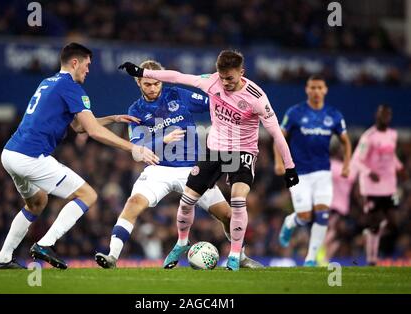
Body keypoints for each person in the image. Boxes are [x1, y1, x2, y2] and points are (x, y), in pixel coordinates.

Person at [118, 50, 298, 271]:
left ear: (241, 72)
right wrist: (140, 71)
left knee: (238, 201)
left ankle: (235, 257)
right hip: (214, 152)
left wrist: (290, 167)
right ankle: (182, 243)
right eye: (221, 77)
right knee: (187, 201)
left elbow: (278, 134)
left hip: (241, 152)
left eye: (229, 78)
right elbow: (177, 77)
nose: (225, 83)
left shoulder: (257, 97)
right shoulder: (212, 81)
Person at [0, 43, 158, 270]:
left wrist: (113, 118)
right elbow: (92, 131)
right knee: (88, 195)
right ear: (74, 63)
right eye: (87, 65)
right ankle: (45, 244)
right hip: (31, 156)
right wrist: (132, 148)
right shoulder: (71, 87)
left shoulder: (49, 82)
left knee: (37, 203)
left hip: (10, 153)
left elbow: (79, 127)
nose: (88, 71)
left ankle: (3, 259)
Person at [94, 60, 262, 269]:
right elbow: (137, 149)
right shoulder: (135, 110)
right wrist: (162, 139)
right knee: (133, 203)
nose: (153, 88)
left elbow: (215, 104)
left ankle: (241, 255)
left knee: (228, 215)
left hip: (192, 169)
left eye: (156, 83)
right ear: (138, 82)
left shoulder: (178, 95)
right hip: (159, 169)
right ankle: (112, 256)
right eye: (147, 84)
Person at [275, 75, 352, 267]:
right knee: (304, 216)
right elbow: (279, 137)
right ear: (307, 90)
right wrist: (279, 162)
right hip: (298, 172)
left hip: (322, 173)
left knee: (323, 214)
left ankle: (310, 259)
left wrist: (347, 164)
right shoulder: (295, 113)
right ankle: (290, 222)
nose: (316, 91)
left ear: (325, 90)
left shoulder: (334, 115)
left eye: (319, 87)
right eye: (312, 87)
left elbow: (346, 141)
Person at [353, 105, 404, 266]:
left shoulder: (393, 135)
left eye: (388, 115)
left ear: (390, 117)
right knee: (374, 223)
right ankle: (371, 259)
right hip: (372, 188)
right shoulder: (369, 137)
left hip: (389, 187)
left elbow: (391, 156)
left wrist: (400, 167)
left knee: (394, 223)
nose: (385, 117)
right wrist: (369, 172)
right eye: (382, 114)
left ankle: (371, 234)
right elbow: (356, 160)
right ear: (377, 116)